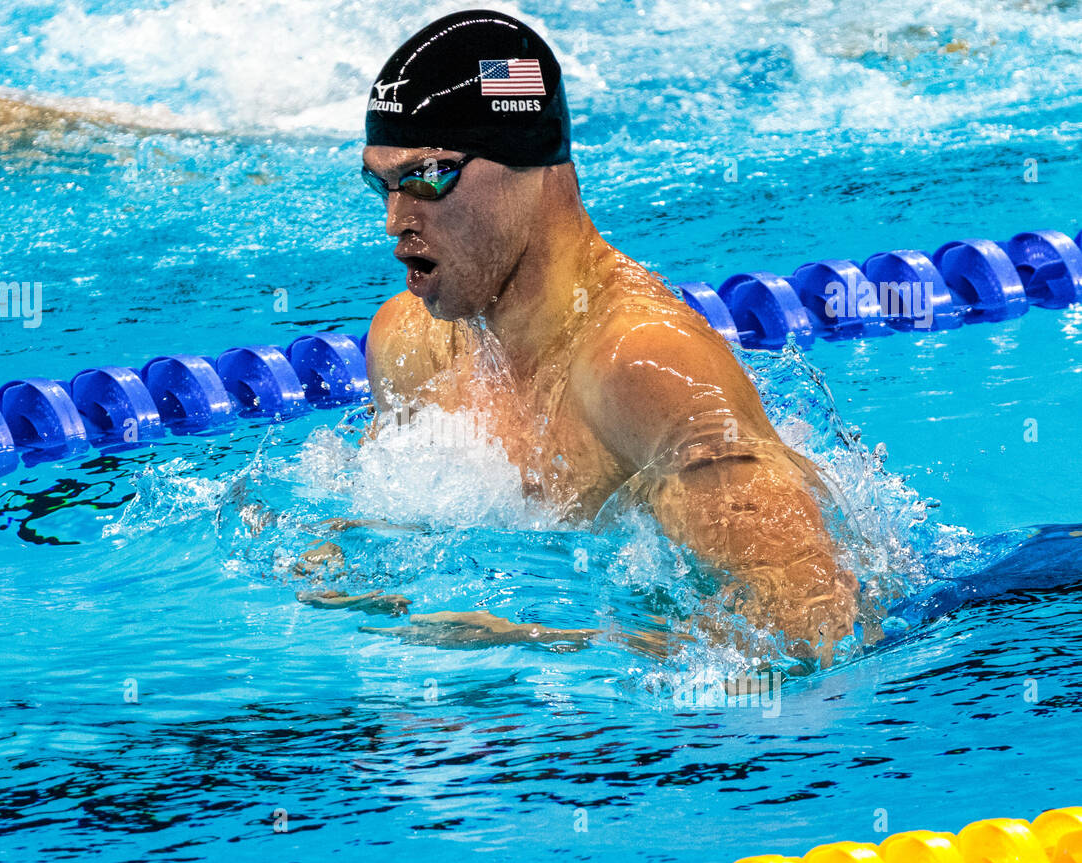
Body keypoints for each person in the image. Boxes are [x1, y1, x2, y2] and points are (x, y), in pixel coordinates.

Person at [323, 9, 861, 667]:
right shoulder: (408, 344)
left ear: (529, 162)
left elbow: (813, 637)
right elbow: (377, 521)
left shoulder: (641, 368)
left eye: (427, 175)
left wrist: (538, 647)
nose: (395, 220)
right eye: (380, 184)